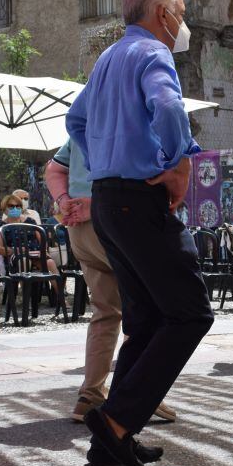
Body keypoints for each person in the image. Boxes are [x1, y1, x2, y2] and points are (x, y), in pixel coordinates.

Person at [66, 0, 214, 466]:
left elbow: (76, 122)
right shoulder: (154, 53)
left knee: (147, 320)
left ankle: (111, 438)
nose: (183, 19)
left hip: (108, 199)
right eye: (180, 9)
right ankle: (115, 421)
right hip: (136, 199)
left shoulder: (107, 58)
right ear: (162, 14)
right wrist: (177, 163)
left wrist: (104, 158)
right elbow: (169, 106)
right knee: (191, 313)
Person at [45, 139, 176, 428]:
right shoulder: (124, 122)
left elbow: (53, 169)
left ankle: (90, 394)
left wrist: (65, 201)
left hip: (79, 229)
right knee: (145, 309)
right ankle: (138, 393)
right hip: (114, 221)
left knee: (105, 311)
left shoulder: (81, 126)